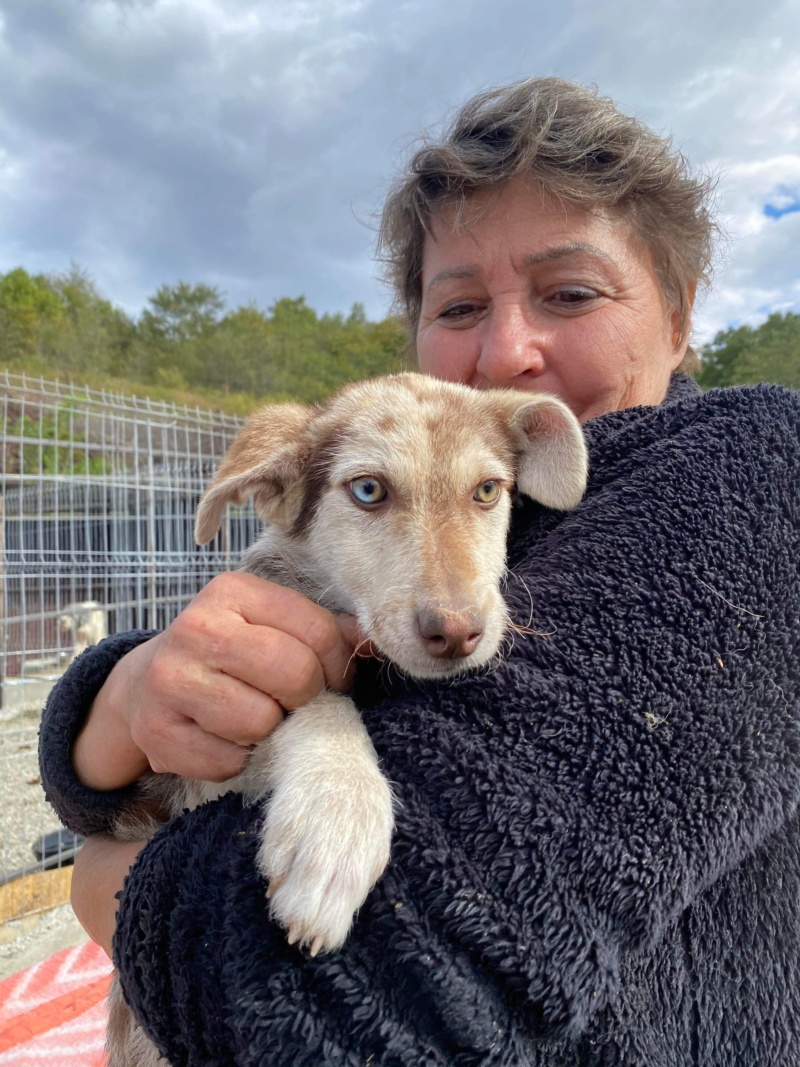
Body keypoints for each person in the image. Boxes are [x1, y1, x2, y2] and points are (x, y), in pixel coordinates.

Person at [39, 77, 800, 1066]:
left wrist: (108, 876)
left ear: (678, 310)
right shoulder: (479, 475)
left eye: (570, 291)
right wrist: (115, 701)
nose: (503, 350)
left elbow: (326, 993)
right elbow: (231, 663)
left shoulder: (751, 477)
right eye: (457, 303)